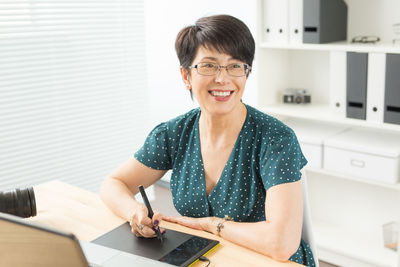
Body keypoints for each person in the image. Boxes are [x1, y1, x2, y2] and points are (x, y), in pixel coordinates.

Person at [100, 14, 315, 266]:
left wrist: (211, 225)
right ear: (186, 76)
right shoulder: (174, 133)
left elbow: (281, 244)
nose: (223, 78)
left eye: (235, 66)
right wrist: (133, 212)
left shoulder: (275, 139)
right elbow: (114, 183)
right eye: (209, 65)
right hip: (208, 258)